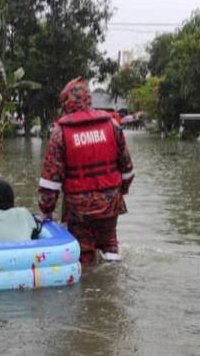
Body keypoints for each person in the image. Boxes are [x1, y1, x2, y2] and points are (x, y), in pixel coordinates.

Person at [38, 78, 134, 264]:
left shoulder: (60, 133)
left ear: (67, 103)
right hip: (110, 202)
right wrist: (119, 193)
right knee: (110, 245)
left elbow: (51, 181)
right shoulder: (112, 125)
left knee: (83, 254)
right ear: (88, 99)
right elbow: (128, 170)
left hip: (78, 209)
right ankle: (112, 281)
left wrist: (46, 211)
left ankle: (88, 287)